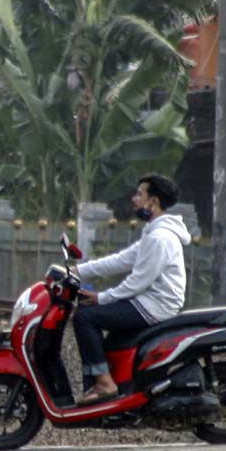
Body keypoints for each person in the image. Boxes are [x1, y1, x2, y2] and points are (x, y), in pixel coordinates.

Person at [74, 173, 191, 405]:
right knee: (104, 333)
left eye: (139, 194)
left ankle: (105, 384)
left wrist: (101, 298)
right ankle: (114, 384)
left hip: (154, 305)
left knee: (85, 318)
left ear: (153, 202)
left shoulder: (160, 237)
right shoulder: (153, 232)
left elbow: (138, 282)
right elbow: (122, 260)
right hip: (147, 301)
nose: (134, 199)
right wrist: (78, 271)